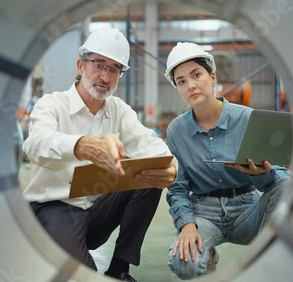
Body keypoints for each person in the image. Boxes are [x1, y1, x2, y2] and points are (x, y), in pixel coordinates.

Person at [23, 27, 177, 282]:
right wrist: (81, 146)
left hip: (96, 211)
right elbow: (36, 145)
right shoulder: (52, 104)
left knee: (152, 173)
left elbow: (152, 146)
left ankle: (119, 269)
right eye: (98, 64)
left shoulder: (119, 110)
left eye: (114, 69)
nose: (105, 76)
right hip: (55, 209)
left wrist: (171, 168)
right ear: (80, 65)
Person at [163, 42, 290, 280]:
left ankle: (265, 262)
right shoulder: (176, 131)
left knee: (285, 185)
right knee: (184, 264)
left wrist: (260, 174)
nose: (190, 85)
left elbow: (280, 178)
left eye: (196, 75)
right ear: (177, 88)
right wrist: (187, 225)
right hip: (204, 213)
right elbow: (177, 187)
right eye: (181, 81)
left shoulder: (247, 118)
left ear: (212, 78)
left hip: (248, 209)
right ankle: (207, 256)